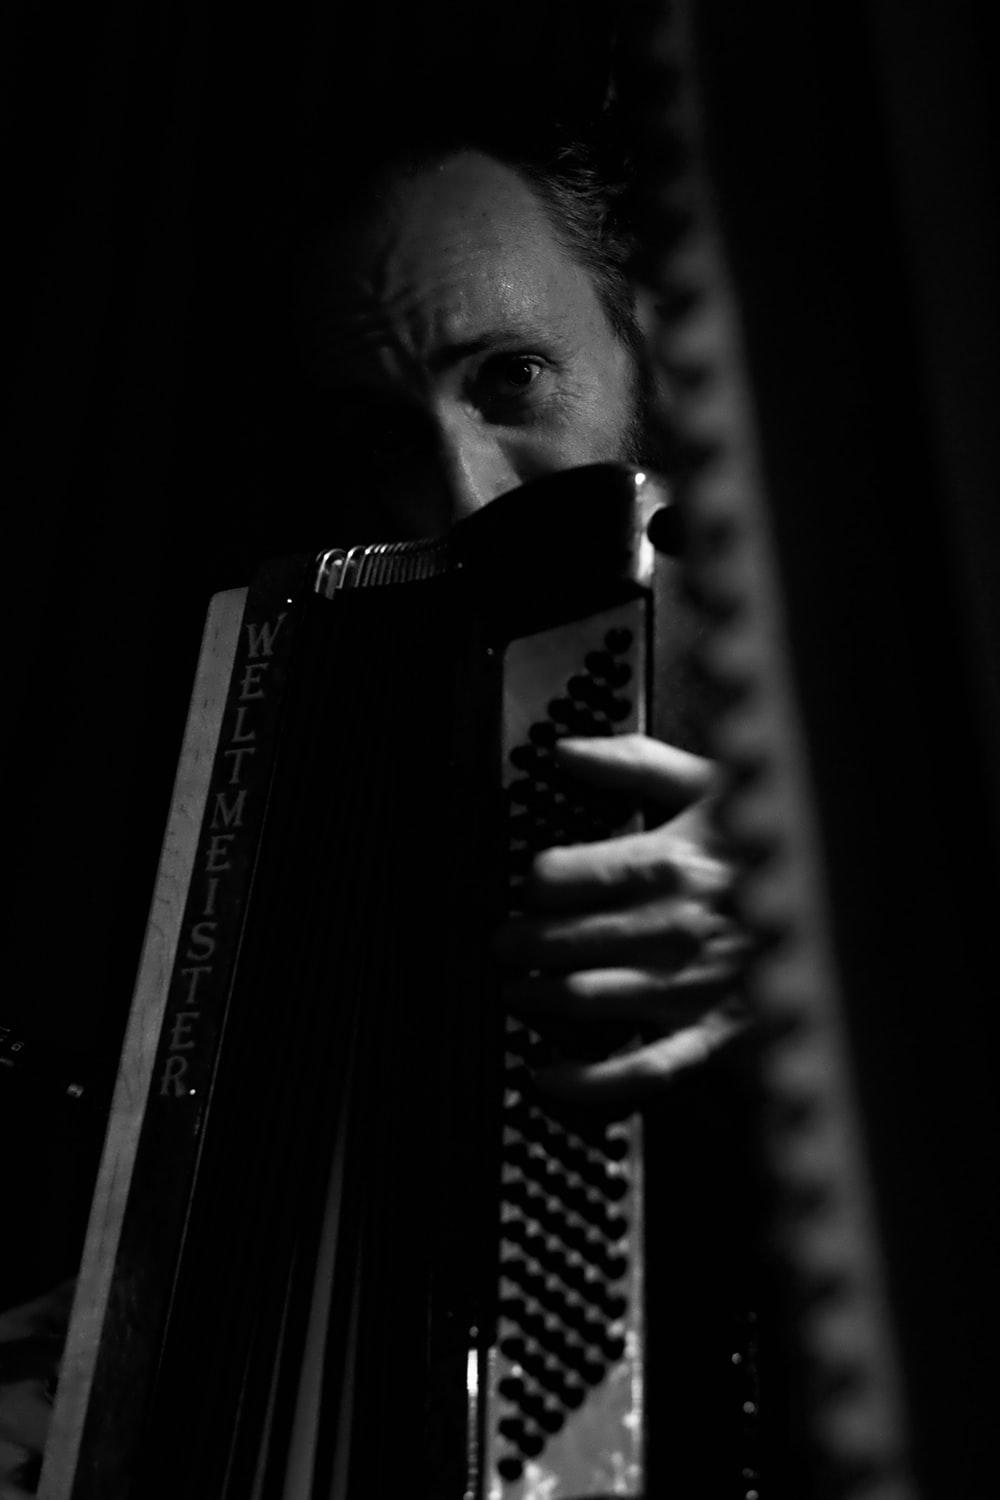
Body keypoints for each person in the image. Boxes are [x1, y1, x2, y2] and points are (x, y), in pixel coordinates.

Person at [0, 131, 749, 1494]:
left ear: (655, 362)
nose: (461, 495)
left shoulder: (879, 704)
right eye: (389, 437)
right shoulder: (326, 734)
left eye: (512, 378)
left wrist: (821, 975)